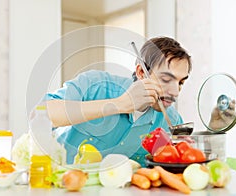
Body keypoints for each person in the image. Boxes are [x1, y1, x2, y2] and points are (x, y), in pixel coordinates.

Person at [45, 37, 192, 166]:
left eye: (180, 83)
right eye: (166, 80)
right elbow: (45, 115)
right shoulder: (95, 85)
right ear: (141, 72)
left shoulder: (172, 120)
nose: (175, 92)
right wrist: (121, 103)